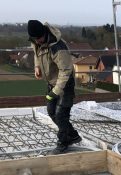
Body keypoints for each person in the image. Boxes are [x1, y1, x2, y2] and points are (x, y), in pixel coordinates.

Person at [28, 20, 81, 154]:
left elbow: (65, 71)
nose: (37, 41)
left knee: (61, 115)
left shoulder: (58, 48)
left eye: (38, 38)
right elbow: (36, 53)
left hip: (65, 84)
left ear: (44, 34)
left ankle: (63, 142)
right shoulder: (37, 41)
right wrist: (37, 66)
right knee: (51, 111)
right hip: (52, 82)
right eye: (35, 39)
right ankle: (73, 135)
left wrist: (56, 91)